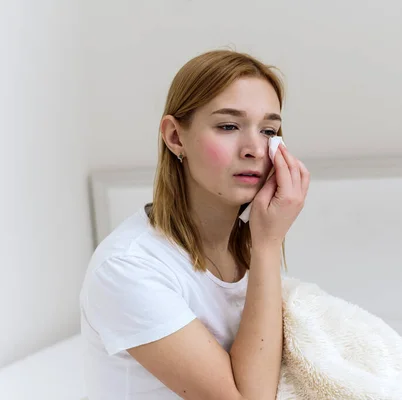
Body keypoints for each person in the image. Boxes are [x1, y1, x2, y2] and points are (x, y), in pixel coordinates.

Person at [79, 50, 310, 400]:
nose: (255, 149)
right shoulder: (127, 267)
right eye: (228, 126)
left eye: (269, 130)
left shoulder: (247, 237)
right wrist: (267, 245)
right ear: (175, 137)